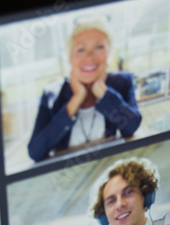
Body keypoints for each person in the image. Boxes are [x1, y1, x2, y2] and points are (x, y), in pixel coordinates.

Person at [28, 17, 142, 162]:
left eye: (99, 47)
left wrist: (103, 92)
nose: (89, 56)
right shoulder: (52, 93)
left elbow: (131, 127)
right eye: (81, 49)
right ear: (70, 58)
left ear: (110, 53)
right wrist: (76, 99)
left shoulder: (121, 82)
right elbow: (35, 152)